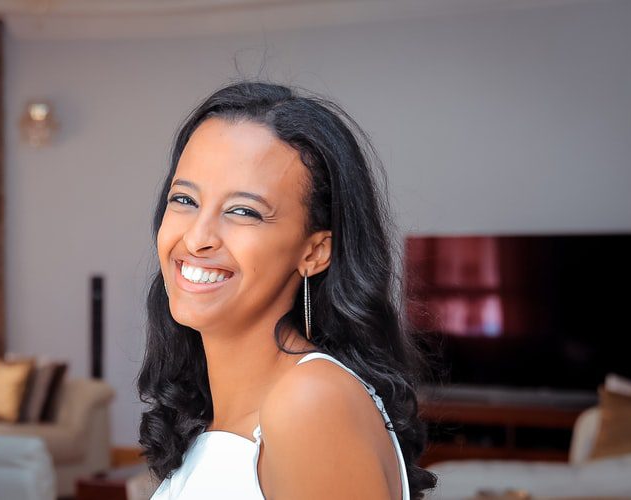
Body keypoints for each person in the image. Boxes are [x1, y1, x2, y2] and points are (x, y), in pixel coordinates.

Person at [137, 80, 438, 499]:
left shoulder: (310, 403)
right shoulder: (224, 411)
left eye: (243, 211)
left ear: (315, 251)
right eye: (184, 200)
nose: (196, 238)